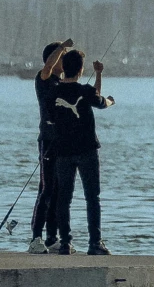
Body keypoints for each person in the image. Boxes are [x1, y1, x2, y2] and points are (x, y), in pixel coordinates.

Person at [46, 47, 115, 255]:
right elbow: (101, 102)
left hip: (63, 152)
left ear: (64, 68)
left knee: (63, 199)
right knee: (92, 198)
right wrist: (101, 77)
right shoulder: (85, 91)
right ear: (81, 70)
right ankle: (95, 244)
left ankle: (65, 243)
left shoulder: (53, 92)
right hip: (87, 151)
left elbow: (50, 118)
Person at [30, 39, 70, 250]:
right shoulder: (43, 78)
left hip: (62, 143)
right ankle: (35, 238)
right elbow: (48, 66)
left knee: (58, 191)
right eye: (61, 58)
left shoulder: (61, 84)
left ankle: (51, 238)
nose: (64, 61)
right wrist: (63, 46)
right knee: (46, 189)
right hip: (48, 141)